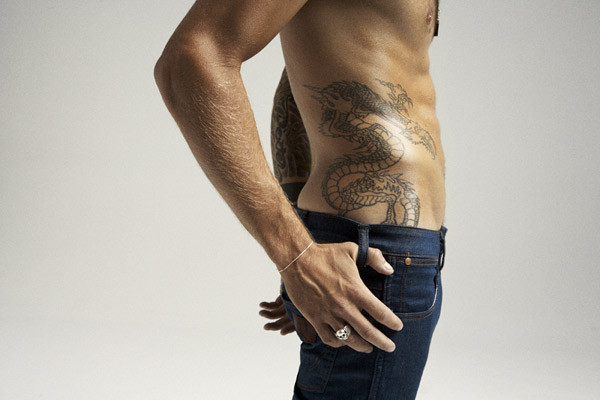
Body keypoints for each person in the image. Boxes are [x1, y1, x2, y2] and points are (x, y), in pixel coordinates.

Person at [154, 0, 447, 398]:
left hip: (398, 254)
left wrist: (307, 242)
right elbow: (192, 58)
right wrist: (298, 255)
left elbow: (303, 82)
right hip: (372, 254)